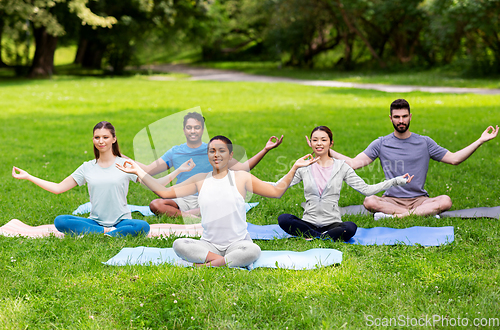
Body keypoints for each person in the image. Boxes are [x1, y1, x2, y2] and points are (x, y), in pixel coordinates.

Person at [116, 135, 318, 267]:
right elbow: (163, 192)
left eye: (221, 150)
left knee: (253, 250)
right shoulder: (200, 180)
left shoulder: (241, 178)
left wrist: (295, 168)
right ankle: (221, 262)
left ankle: (208, 266)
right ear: (208, 155)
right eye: (212, 151)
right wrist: (137, 171)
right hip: (208, 244)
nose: (216, 154)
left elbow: (276, 192)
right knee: (179, 244)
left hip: (238, 243)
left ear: (230, 155)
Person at [327, 99, 499, 219]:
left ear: (410, 116)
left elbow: (454, 159)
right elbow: (354, 163)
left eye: (404, 116)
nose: (401, 121)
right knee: (369, 201)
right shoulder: (381, 143)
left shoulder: (425, 142)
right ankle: (411, 215)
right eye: (396, 117)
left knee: (445, 200)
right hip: (391, 200)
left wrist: (480, 140)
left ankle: (397, 217)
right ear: (390, 118)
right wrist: (327, 149)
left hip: (419, 200)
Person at [11, 121, 190, 237]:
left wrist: (178, 171)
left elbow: (156, 185)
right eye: (97, 137)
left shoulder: (126, 164)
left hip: (122, 221)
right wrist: (29, 176)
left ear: (114, 139)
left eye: (105, 137)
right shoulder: (87, 167)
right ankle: (107, 232)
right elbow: (58, 188)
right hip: (95, 221)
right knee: (60, 221)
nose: (101, 141)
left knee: (142, 226)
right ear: (93, 140)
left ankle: (102, 233)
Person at [130, 112, 284, 217]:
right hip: (181, 198)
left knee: (223, 205)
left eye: (197, 127)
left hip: (208, 197)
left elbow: (243, 168)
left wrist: (265, 150)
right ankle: (191, 216)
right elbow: (149, 171)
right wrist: (119, 157)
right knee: (156, 204)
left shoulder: (213, 150)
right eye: (189, 127)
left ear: (202, 129)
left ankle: (193, 214)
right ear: (183, 130)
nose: (193, 131)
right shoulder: (174, 152)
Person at [278, 126, 413, 241]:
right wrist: (256, 183)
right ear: (310, 143)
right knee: (284, 219)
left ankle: (314, 236)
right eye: (315, 140)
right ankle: (321, 236)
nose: (319, 143)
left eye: (323, 140)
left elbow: (367, 189)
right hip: (308, 222)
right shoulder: (303, 167)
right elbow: (278, 186)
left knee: (350, 228)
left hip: (332, 224)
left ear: (331, 144)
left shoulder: (342, 167)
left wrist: (395, 181)